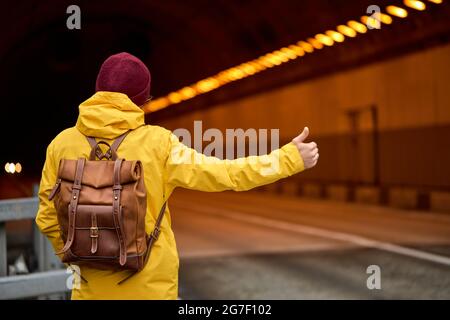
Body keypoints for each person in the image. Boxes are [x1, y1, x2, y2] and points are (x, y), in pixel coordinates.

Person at [35, 52, 319, 299]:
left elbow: (47, 218)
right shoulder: (159, 144)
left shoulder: (61, 145)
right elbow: (225, 174)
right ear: (142, 100)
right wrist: (288, 159)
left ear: (97, 90)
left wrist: (82, 257)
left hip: (90, 291)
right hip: (151, 289)